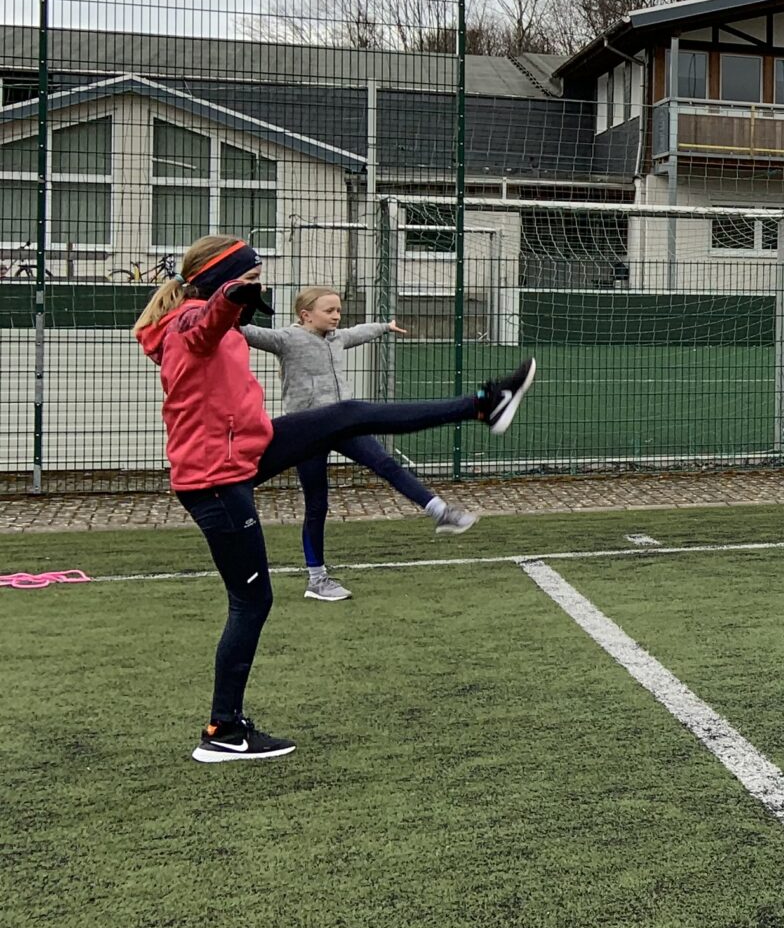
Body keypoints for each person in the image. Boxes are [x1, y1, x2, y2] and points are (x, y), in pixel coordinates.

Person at [136, 236, 537, 764]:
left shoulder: (196, 318)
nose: (258, 289)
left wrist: (230, 293)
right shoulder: (191, 325)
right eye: (253, 279)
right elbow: (206, 321)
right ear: (222, 280)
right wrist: (232, 291)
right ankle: (223, 731)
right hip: (215, 480)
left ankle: (485, 405)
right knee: (251, 602)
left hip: (243, 452)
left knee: (348, 414)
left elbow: (215, 316)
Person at [243, 285, 478, 603]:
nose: (337, 316)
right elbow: (248, 332)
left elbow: (360, 332)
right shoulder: (286, 338)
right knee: (317, 504)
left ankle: (439, 512)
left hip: (344, 425)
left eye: (339, 310)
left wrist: (385, 327)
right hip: (307, 433)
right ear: (305, 314)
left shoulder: (337, 338)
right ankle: (317, 580)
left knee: (385, 463)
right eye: (329, 311)